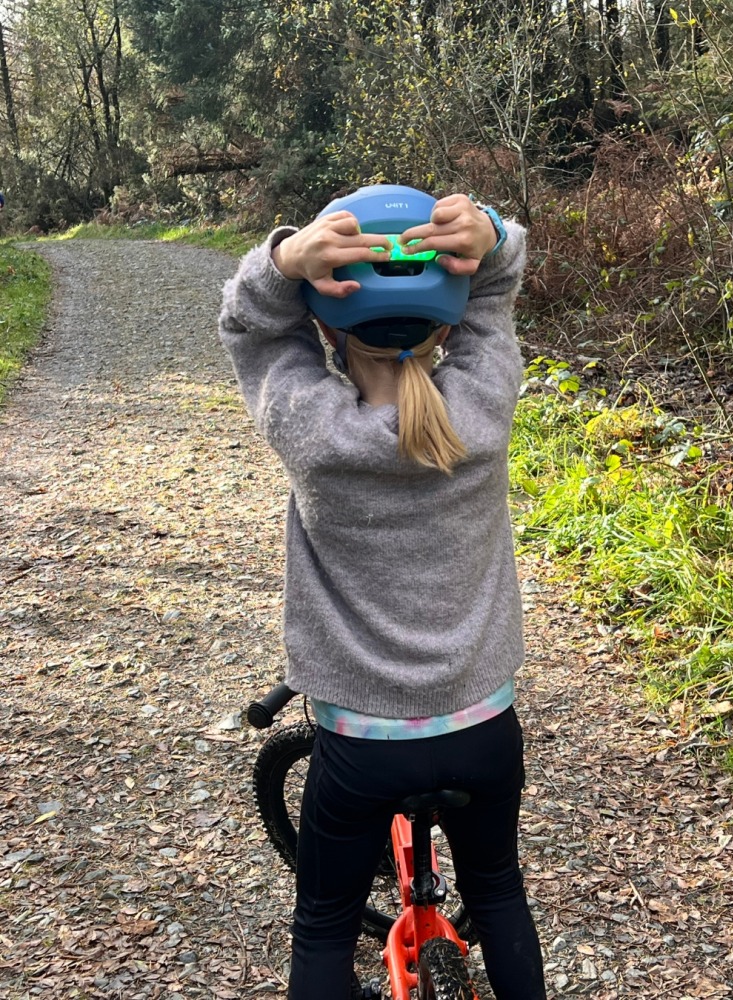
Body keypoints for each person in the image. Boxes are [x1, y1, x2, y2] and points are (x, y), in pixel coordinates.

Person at [219, 184, 547, 1000]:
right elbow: (498, 284)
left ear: (325, 325)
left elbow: (248, 325)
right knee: (500, 893)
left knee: (324, 925)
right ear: (451, 322)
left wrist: (285, 259)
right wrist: (493, 234)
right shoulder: (484, 406)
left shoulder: (313, 432)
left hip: (361, 747)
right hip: (480, 727)